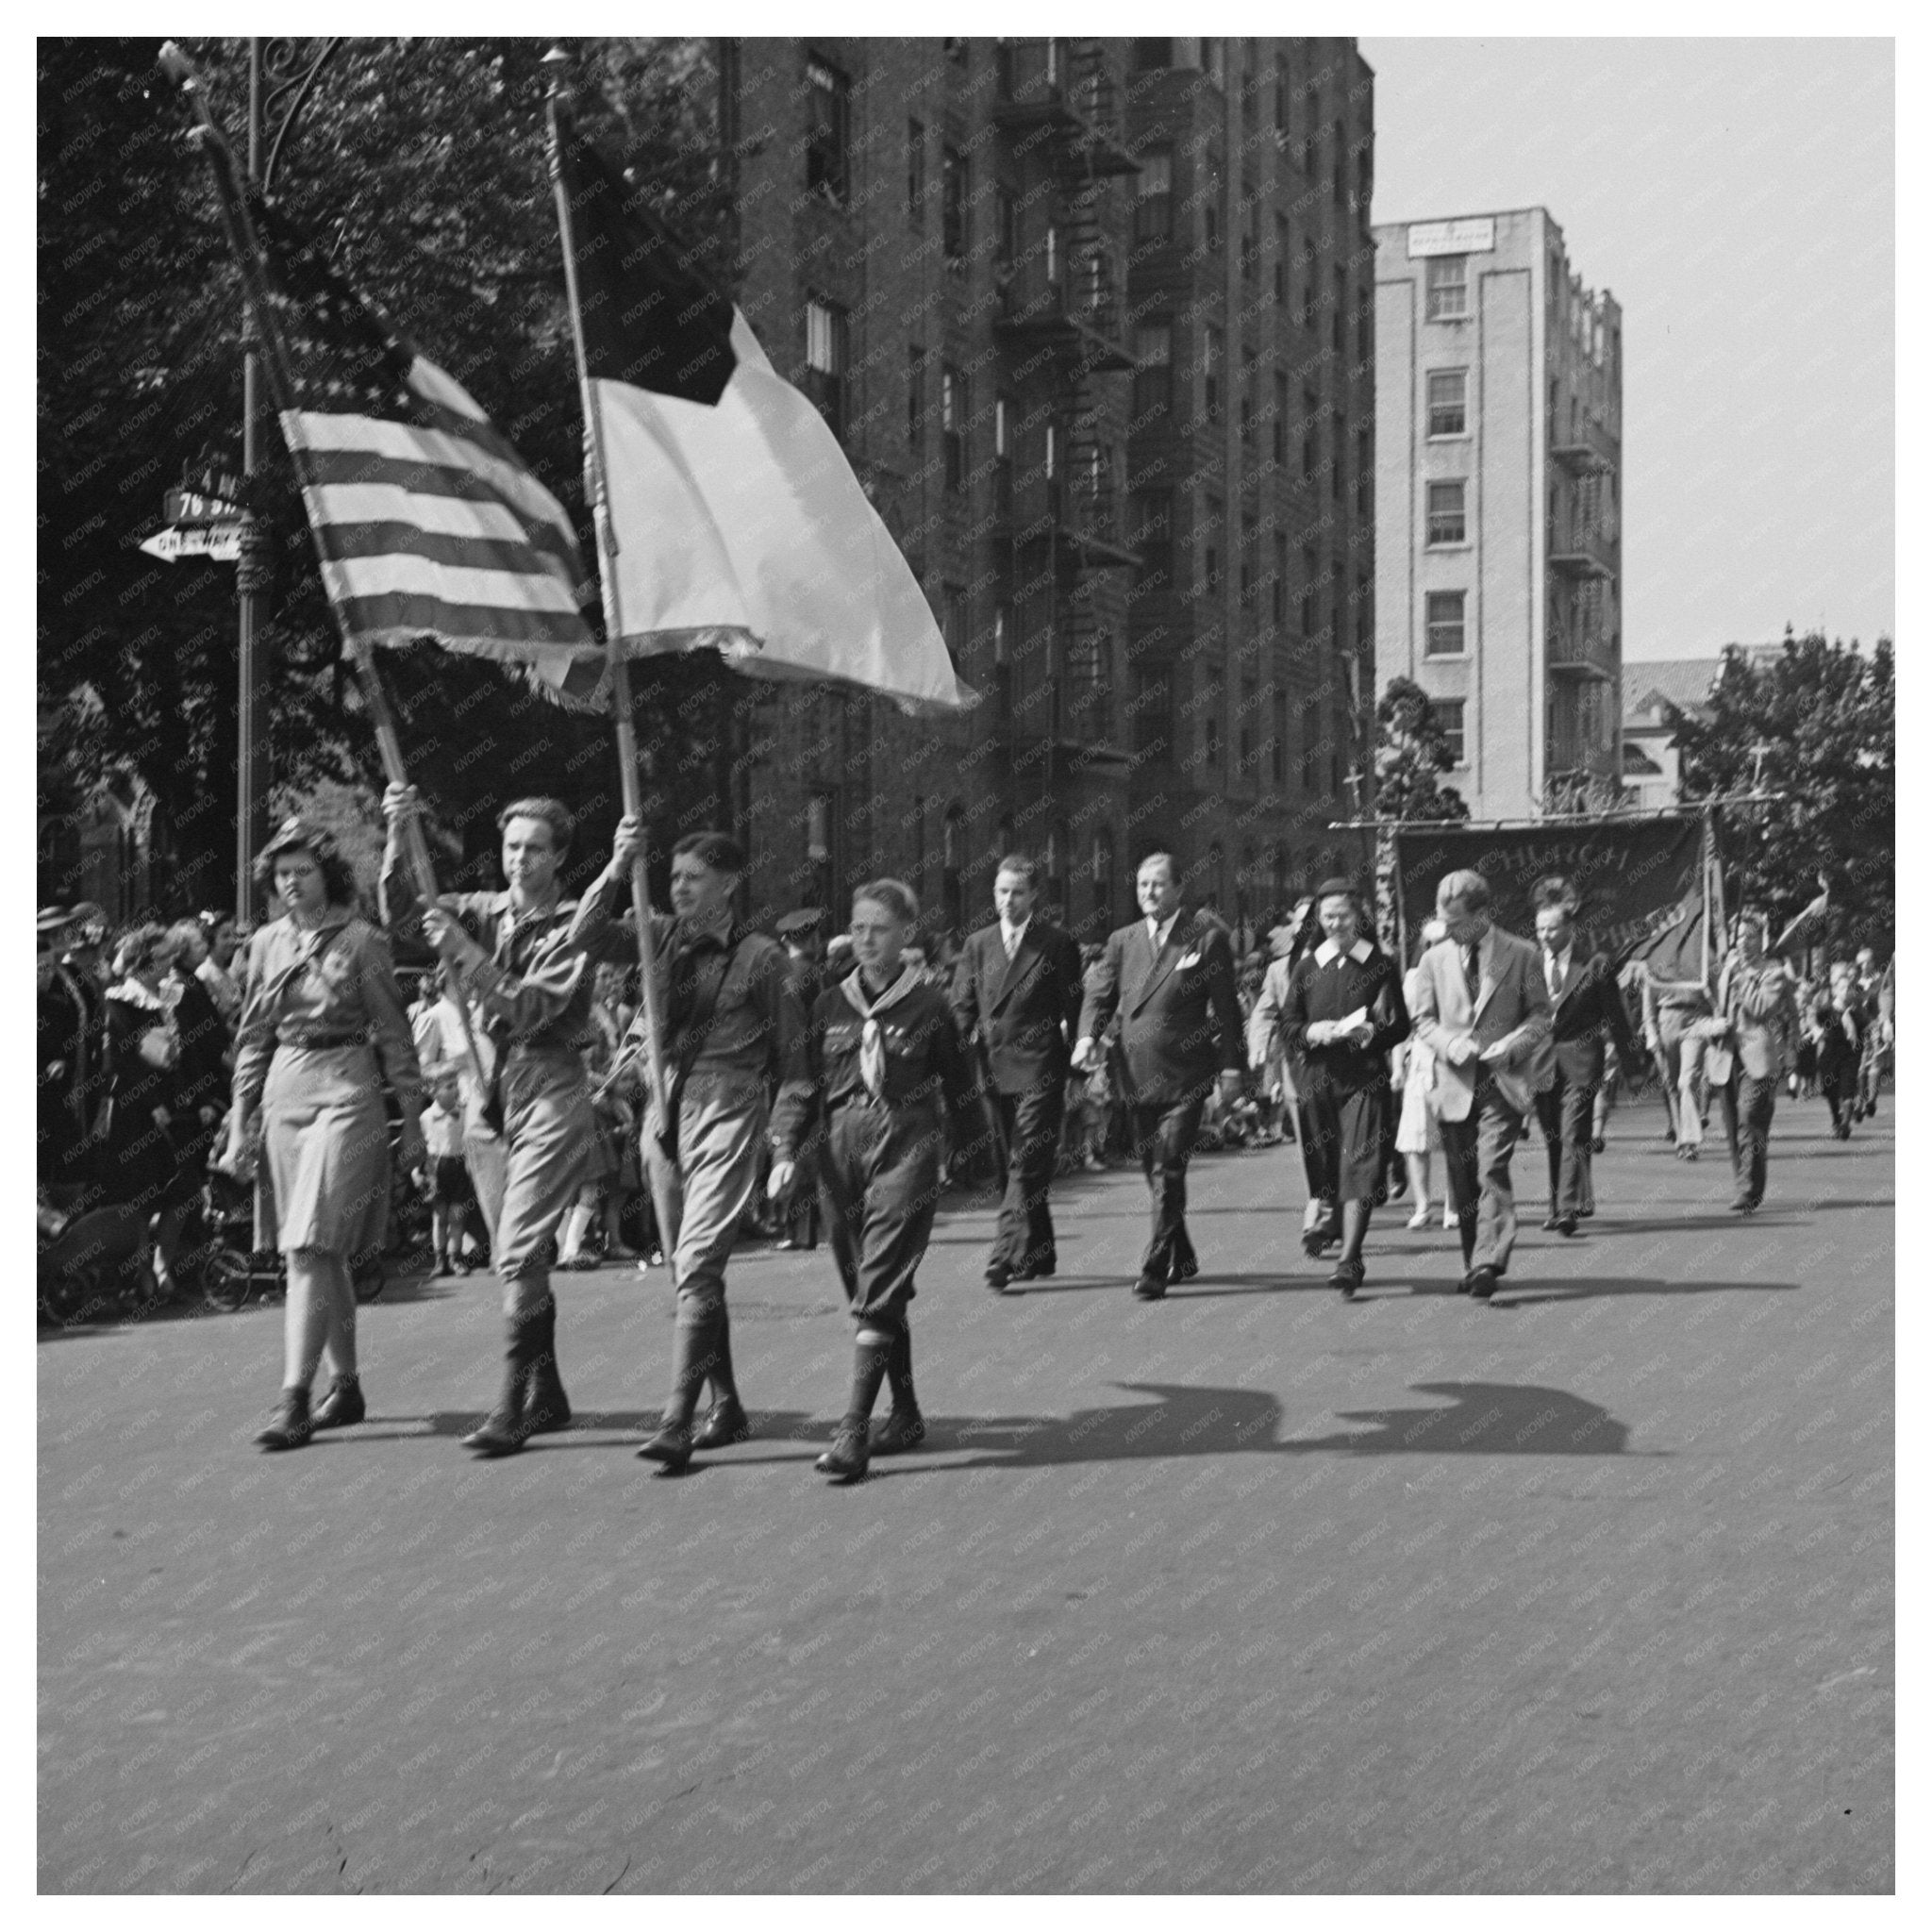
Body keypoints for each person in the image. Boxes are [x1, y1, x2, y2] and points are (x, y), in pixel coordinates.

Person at [381, 784, 640, 1457]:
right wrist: (396, 834)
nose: (519, 860)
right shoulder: (480, 909)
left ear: (558, 860)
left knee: (519, 1248)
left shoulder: (575, 929)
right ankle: (548, 1391)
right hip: (488, 1094)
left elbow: (530, 1008)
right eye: (511, 847)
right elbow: (405, 920)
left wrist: (463, 951)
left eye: (533, 849)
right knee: (514, 1260)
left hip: (551, 1082)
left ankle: (511, 1406)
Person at [224, 818, 426, 1448]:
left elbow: (394, 1034)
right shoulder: (264, 944)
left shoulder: (363, 940)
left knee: (310, 1242)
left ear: (327, 874)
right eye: (281, 873)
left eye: (301, 871)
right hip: (287, 1087)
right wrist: (239, 1123)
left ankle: (293, 1400)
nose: (290, 882)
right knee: (315, 1250)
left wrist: (414, 1121)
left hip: (348, 1087)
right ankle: (347, 1386)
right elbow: (253, 1038)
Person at [769, 878, 974, 1481]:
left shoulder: (930, 1006)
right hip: (839, 1149)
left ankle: (852, 1431)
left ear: (907, 935)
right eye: (856, 928)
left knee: (880, 1281)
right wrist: (784, 1150)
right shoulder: (830, 1005)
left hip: (907, 1142)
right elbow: (801, 1084)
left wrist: (982, 1162)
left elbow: (961, 1089)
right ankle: (904, 1412)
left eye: (878, 929)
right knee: (868, 1285)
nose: (864, 940)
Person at [629, 831, 806, 1472]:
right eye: (673, 876)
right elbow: (587, 935)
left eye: (693, 877)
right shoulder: (658, 938)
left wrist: (784, 1143)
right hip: (666, 1107)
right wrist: (619, 865)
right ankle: (725, 1404)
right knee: (688, 1271)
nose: (678, 887)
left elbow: (796, 1061)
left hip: (731, 1106)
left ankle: (676, 1420)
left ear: (729, 884)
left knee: (699, 1261)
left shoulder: (764, 961)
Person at [1073, 851, 1244, 1300]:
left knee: (1169, 1166)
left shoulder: (1204, 939)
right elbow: (1099, 994)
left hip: (1186, 1074)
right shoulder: (1122, 940)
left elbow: (1227, 1011)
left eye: (1159, 885)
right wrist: (1087, 1038)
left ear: (1179, 889)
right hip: (1134, 1073)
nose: (1149, 893)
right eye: (1143, 885)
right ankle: (1182, 1249)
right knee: (1153, 1170)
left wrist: (1231, 1068)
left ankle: (1154, 1266)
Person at [1407, 869, 1555, 1300]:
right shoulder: (1434, 959)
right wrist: (1448, 1045)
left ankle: (1489, 1260)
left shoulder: (1522, 954)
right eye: (1442, 921)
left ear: (1482, 913)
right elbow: (1422, 1020)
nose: (1446, 930)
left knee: (1490, 1167)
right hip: (1453, 1082)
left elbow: (1540, 1016)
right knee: (1463, 1178)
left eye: (1455, 923)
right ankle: (1474, 1260)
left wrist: (1509, 1046)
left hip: (1501, 1081)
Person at [949, 854, 1085, 1291]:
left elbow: (1076, 1007)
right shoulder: (978, 944)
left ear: (1034, 896)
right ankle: (1039, 1250)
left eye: (1017, 892)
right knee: (1014, 1166)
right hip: (993, 1069)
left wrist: (1081, 1058)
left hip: (1042, 1066)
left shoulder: (1057, 943)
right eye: (1001, 892)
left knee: (1026, 1159)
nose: (1008, 900)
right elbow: (961, 1007)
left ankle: (1004, 1254)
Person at [1274, 880, 1410, 1296]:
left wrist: (1373, 1033)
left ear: (1359, 917)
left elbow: (1400, 1025)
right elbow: (1288, 1026)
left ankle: (1351, 1259)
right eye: (1328, 916)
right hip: (1317, 1082)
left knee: (1362, 1167)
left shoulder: (1379, 965)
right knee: (1329, 1170)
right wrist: (1314, 1031)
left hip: (1364, 1081)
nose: (1335, 923)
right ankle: (1331, 1219)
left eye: (1343, 915)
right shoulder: (1307, 966)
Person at [1529, 876, 1641, 1237]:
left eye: (1552, 929)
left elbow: (1618, 1019)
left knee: (1573, 1132)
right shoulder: (1528, 965)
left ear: (1570, 928)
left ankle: (1567, 1210)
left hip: (1581, 1059)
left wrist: (1633, 1068)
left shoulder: (1594, 964)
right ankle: (1555, 1204)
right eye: (1540, 929)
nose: (1545, 936)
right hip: (1542, 1062)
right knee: (1551, 1135)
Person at [1712, 910, 1801, 1212]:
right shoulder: (1726, 970)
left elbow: (1761, 1008)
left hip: (1758, 1057)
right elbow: (1716, 1006)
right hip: (1727, 1056)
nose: (1742, 944)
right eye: (1738, 938)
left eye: (1749, 938)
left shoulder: (1773, 973)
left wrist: (1739, 977)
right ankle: (1745, 1183)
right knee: (1735, 1125)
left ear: (1760, 940)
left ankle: (1749, 1190)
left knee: (1750, 1119)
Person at [1391, 916, 1450, 1230]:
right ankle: (1423, 1204)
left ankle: (1455, 1205)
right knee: (1416, 1138)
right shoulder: (1413, 980)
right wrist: (1397, 1067)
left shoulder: (1467, 973)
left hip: (1456, 1061)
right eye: (1432, 944)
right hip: (1421, 1061)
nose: (1438, 949)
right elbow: (1402, 1028)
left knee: (1457, 1137)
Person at [421, 1063, 475, 1275]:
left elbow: (467, 1141)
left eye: (455, 1085)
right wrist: (419, 1171)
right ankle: (440, 1260)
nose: (455, 1090)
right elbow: (423, 1147)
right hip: (436, 1168)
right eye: (449, 1086)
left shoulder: (461, 1113)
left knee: (457, 1216)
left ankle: (456, 1257)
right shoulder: (425, 1117)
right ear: (433, 1091)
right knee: (440, 1217)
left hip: (458, 1165)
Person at [1809, 967, 1864, 1140]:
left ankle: (1845, 1125)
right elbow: (1813, 1018)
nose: (1846, 991)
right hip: (1829, 1056)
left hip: (1850, 1055)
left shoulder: (1856, 1011)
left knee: (1847, 1089)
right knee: (1831, 1092)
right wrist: (1817, 1030)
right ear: (1834, 990)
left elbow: (1869, 1026)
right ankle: (1836, 1120)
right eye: (1842, 988)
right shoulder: (1827, 1010)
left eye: (1849, 988)